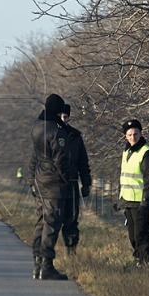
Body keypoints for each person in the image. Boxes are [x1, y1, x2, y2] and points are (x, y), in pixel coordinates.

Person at [27, 93, 72, 280]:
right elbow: (60, 159)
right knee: (52, 223)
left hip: (39, 177)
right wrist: (67, 179)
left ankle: (37, 262)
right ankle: (46, 265)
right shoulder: (56, 131)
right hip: (53, 181)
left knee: (41, 220)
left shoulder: (36, 126)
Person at [118, 119, 149, 267]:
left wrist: (145, 203)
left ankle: (144, 263)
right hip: (128, 200)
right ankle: (137, 260)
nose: (132, 137)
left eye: (135, 134)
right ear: (125, 136)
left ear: (141, 134)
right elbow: (124, 176)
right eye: (129, 135)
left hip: (140, 202)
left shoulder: (147, 153)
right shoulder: (126, 151)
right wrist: (120, 199)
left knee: (141, 235)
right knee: (133, 236)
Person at [59, 104, 91, 255]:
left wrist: (86, 184)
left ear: (69, 117)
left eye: (65, 117)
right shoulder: (50, 134)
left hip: (71, 184)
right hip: (54, 185)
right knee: (52, 219)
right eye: (60, 116)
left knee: (71, 219)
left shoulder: (75, 137)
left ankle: (71, 250)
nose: (63, 119)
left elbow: (83, 163)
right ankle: (47, 253)